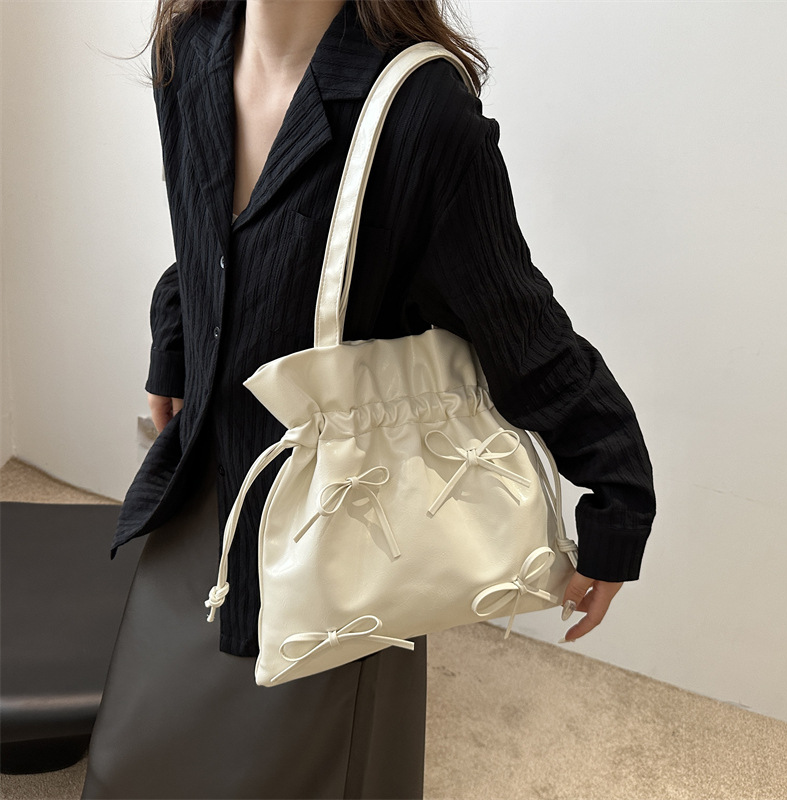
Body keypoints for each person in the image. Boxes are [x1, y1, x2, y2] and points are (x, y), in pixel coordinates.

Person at [81, 0, 656, 797]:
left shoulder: (422, 113)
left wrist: (619, 493)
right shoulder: (188, 46)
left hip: (337, 532)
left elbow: (517, 328)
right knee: (136, 755)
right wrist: (174, 345)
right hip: (205, 478)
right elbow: (200, 238)